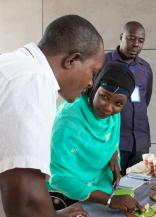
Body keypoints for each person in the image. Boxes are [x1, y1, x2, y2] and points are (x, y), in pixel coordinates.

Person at [0, 15, 105, 217]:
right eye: (93, 71)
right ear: (72, 60)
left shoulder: (18, 66)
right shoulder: (33, 80)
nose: (92, 82)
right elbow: (26, 199)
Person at [47, 62, 142, 213]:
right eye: (104, 97)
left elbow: (111, 140)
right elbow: (59, 178)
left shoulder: (113, 115)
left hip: (101, 189)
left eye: (118, 103)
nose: (109, 108)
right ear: (94, 87)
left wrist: (113, 153)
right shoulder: (68, 121)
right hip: (67, 198)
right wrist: (109, 199)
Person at [105, 21, 153, 175]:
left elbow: (146, 100)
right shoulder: (104, 63)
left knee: (137, 189)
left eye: (140, 40)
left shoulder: (145, 68)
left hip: (140, 142)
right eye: (131, 38)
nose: (136, 44)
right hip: (113, 143)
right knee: (111, 188)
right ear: (121, 37)